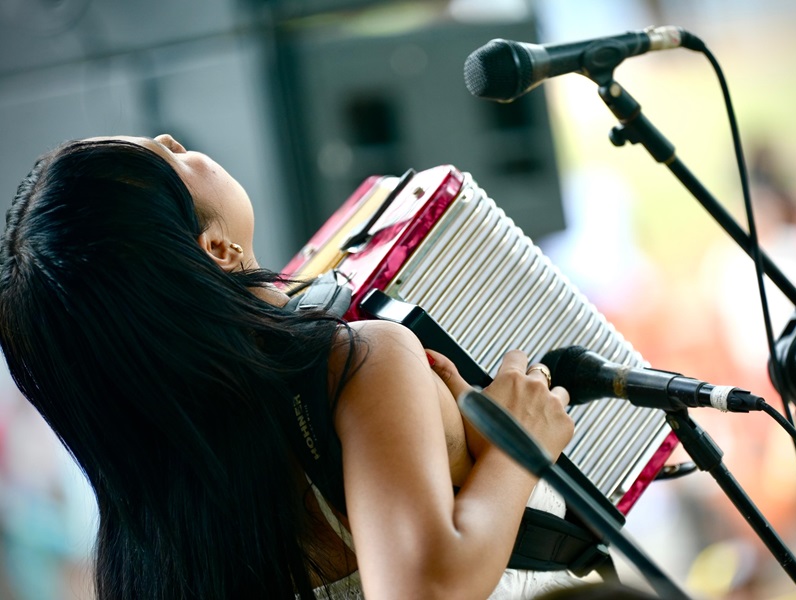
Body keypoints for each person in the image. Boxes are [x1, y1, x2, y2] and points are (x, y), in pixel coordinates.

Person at [0, 135, 579, 599]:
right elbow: (423, 590)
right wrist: (516, 448)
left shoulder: (139, 549)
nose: (173, 138)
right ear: (217, 250)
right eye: (171, 157)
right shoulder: (355, 362)